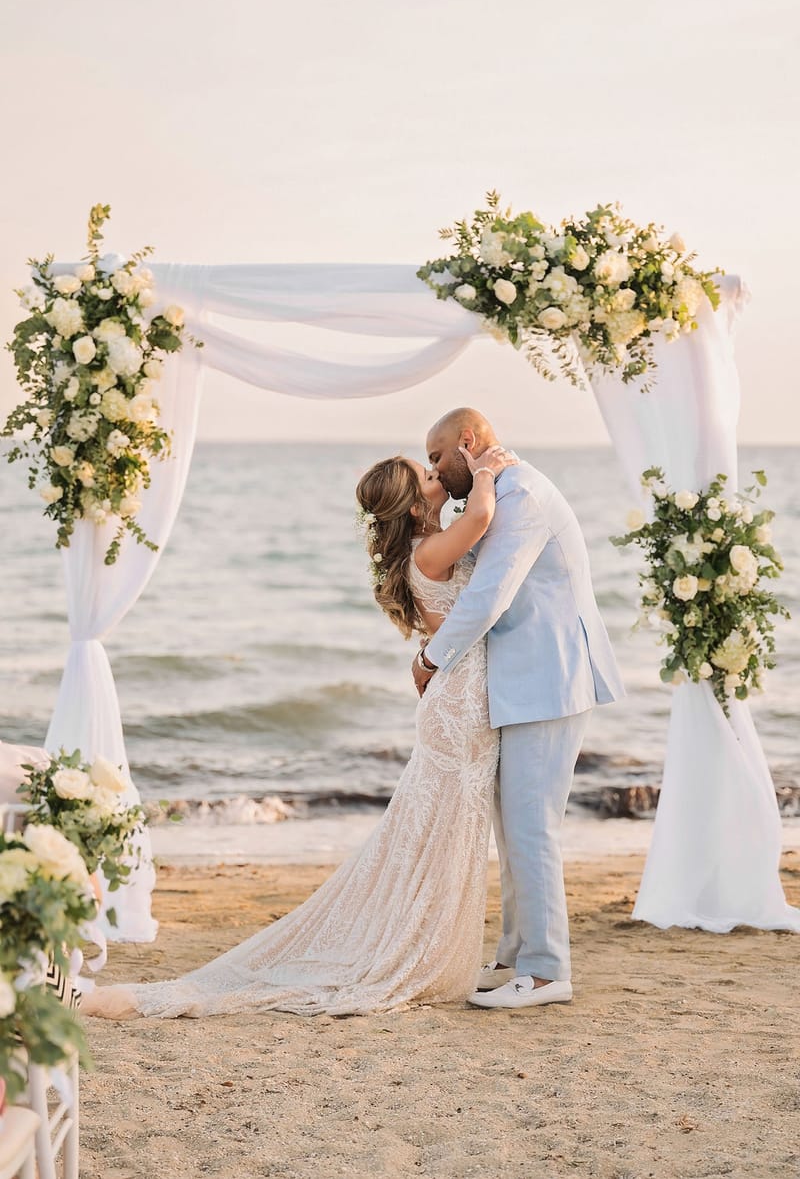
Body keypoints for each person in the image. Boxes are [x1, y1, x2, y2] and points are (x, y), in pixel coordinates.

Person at [82, 443, 517, 1019]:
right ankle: (417, 950)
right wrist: (488, 468)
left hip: (459, 703)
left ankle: (427, 945)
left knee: (441, 835)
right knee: (440, 834)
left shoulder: (429, 545)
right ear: (414, 507)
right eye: (426, 472)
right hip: (457, 709)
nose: (438, 472)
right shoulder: (430, 550)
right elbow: (483, 516)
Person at [413, 408, 624, 1009]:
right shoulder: (498, 488)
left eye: (437, 456)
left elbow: (491, 593)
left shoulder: (523, 493)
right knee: (514, 826)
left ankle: (547, 970)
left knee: (533, 827)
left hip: (550, 679)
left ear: (468, 442)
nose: (434, 468)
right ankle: (512, 955)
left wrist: (432, 657)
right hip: (524, 681)